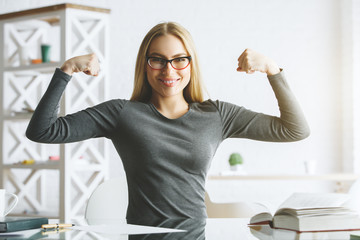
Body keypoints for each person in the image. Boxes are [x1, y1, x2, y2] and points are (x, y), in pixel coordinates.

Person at [26, 22, 310, 219]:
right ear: (145, 65)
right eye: (158, 60)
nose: (169, 69)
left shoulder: (217, 115)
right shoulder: (121, 114)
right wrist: (66, 71)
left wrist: (273, 70)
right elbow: (42, 131)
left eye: (179, 59)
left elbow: (294, 129)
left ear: (191, 63)